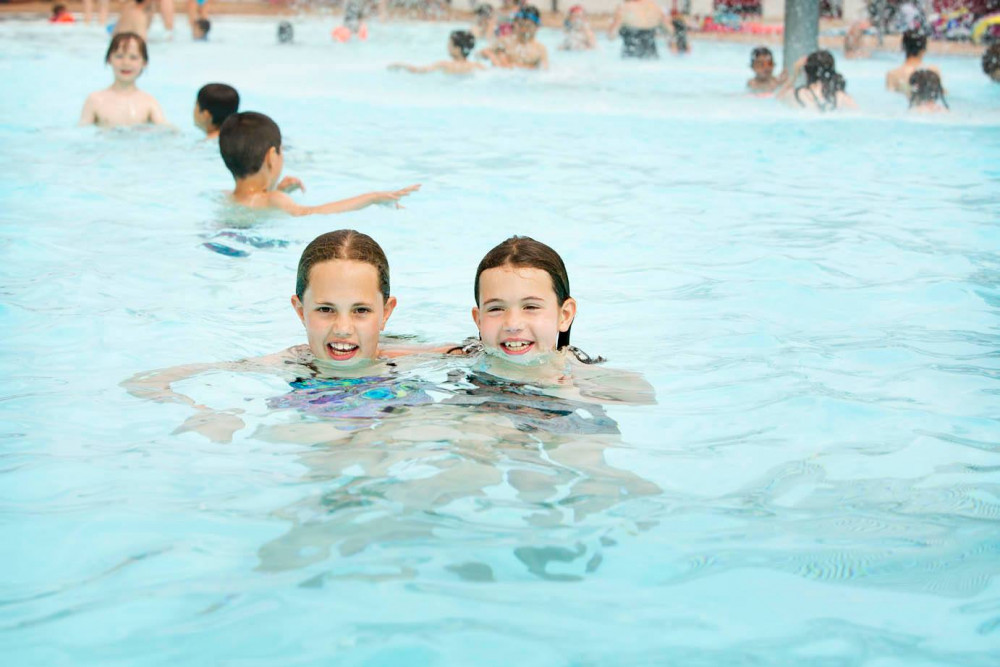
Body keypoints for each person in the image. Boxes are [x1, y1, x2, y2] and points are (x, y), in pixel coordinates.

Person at [122, 230, 441, 442]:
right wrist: (204, 412)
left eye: (360, 311)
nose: (342, 328)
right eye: (326, 310)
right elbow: (143, 382)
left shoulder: (415, 359)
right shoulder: (290, 361)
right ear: (300, 310)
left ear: (386, 312)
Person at [455, 236, 655, 404]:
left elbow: (643, 394)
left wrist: (571, 391)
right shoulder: (465, 355)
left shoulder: (578, 374)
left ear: (564, 315)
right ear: (478, 319)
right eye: (496, 308)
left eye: (531, 307)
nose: (513, 324)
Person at [218, 112, 420, 216]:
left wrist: (277, 190)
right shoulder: (274, 199)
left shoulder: (226, 197)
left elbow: (256, 203)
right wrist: (372, 197)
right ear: (271, 157)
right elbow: (310, 213)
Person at [79, 32, 168, 127]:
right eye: (119, 56)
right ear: (109, 60)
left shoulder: (148, 102)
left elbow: (165, 130)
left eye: (133, 58)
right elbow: (81, 132)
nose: (126, 63)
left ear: (144, 63)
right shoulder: (95, 100)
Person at [777, 50, 857, 112]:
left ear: (807, 71)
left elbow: (778, 98)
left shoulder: (798, 95)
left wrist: (794, 74)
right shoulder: (840, 96)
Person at [481, 5, 548, 70]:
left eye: (528, 26)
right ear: (514, 23)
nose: (523, 29)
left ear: (537, 27)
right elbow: (482, 53)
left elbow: (544, 71)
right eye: (520, 24)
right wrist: (492, 57)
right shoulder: (505, 41)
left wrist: (511, 66)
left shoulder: (540, 49)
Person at [388, 30, 486, 74]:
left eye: (450, 44)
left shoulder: (444, 64)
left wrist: (401, 66)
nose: (447, 46)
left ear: (457, 49)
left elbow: (419, 71)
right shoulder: (477, 66)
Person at [886, 29, 941, 96]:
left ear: (903, 47)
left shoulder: (893, 74)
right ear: (924, 49)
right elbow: (941, 94)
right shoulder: (932, 71)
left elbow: (891, 96)